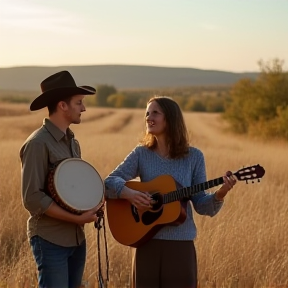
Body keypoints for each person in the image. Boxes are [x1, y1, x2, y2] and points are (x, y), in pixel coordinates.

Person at [104, 96, 237, 288]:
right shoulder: (141, 153)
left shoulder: (194, 157)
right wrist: (130, 194)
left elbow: (201, 205)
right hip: (145, 242)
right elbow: (109, 182)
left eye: (155, 113)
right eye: (147, 113)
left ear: (171, 118)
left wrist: (221, 193)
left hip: (180, 246)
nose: (149, 117)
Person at [20, 70, 100, 288]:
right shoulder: (38, 143)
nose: (84, 108)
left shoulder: (73, 143)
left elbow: (74, 190)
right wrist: (76, 219)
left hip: (76, 239)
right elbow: (32, 198)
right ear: (62, 106)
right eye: (79, 102)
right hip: (50, 240)